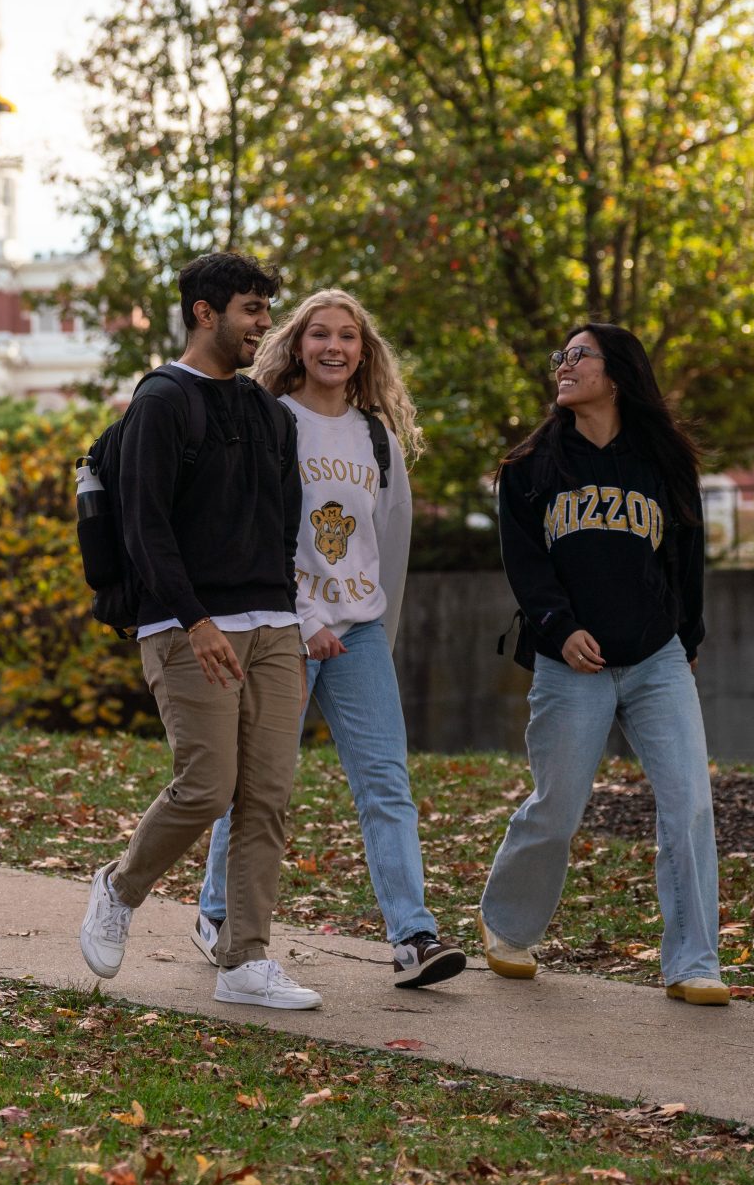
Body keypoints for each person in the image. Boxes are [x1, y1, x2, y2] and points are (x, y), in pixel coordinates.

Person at [192, 289, 465, 988]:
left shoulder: (377, 437)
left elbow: (386, 542)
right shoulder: (271, 419)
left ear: (364, 352)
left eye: (348, 335)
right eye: (320, 334)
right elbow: (255, 530)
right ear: (298, 344)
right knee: (258, 783)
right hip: (284, 629)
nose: (335, 346)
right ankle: (219, 912)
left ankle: (414, 937)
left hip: (361, 634)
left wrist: (373, 624)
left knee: (387, 785)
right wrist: (304, 618)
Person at [78, 251, 319, 1011]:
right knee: (208, 786)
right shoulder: (160, 402)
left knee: (267, 796)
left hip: (273, 626)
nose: (263, 325)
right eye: (250, 309)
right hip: (187, 626)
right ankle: (120, 887)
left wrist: (284, 615)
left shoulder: (269, 415)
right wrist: (196, 619)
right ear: (204, 313)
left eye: (265, 309)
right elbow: (146, 528)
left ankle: (244, 958)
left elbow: (285, 526)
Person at [479, 322, 725, 1006]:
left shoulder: (663, 461)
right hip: (571, 664)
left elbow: (686, 557)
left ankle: (693, 960)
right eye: (561, 354)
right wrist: (560, 629)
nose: (564, 364)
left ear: (616, 373)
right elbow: (525, 567)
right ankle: (506, 925)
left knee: (689, 803)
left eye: (578, 354)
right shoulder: (530, 468)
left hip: (656, 660)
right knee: (558, 804)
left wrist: (688, 635)